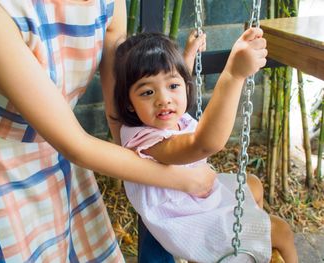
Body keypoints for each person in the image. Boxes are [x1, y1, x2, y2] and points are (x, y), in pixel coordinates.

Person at [0, 1, 214, 262]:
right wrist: (187, 180)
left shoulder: (108, 4)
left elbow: (119, 121)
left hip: (60, 155)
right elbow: (75, 145)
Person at [113, 31, 298, 263]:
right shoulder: (146, 141)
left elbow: (180, 81)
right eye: (148, 92)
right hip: (187, 221)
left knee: (253, 184)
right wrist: (233, 74)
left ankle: (248, 249)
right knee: (281, 231)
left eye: (172, 85)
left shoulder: (166, 115)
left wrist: (188, 55)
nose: (164, 99)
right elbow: (202, 144)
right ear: (129, 104)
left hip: (196, 198)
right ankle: (239, 248)